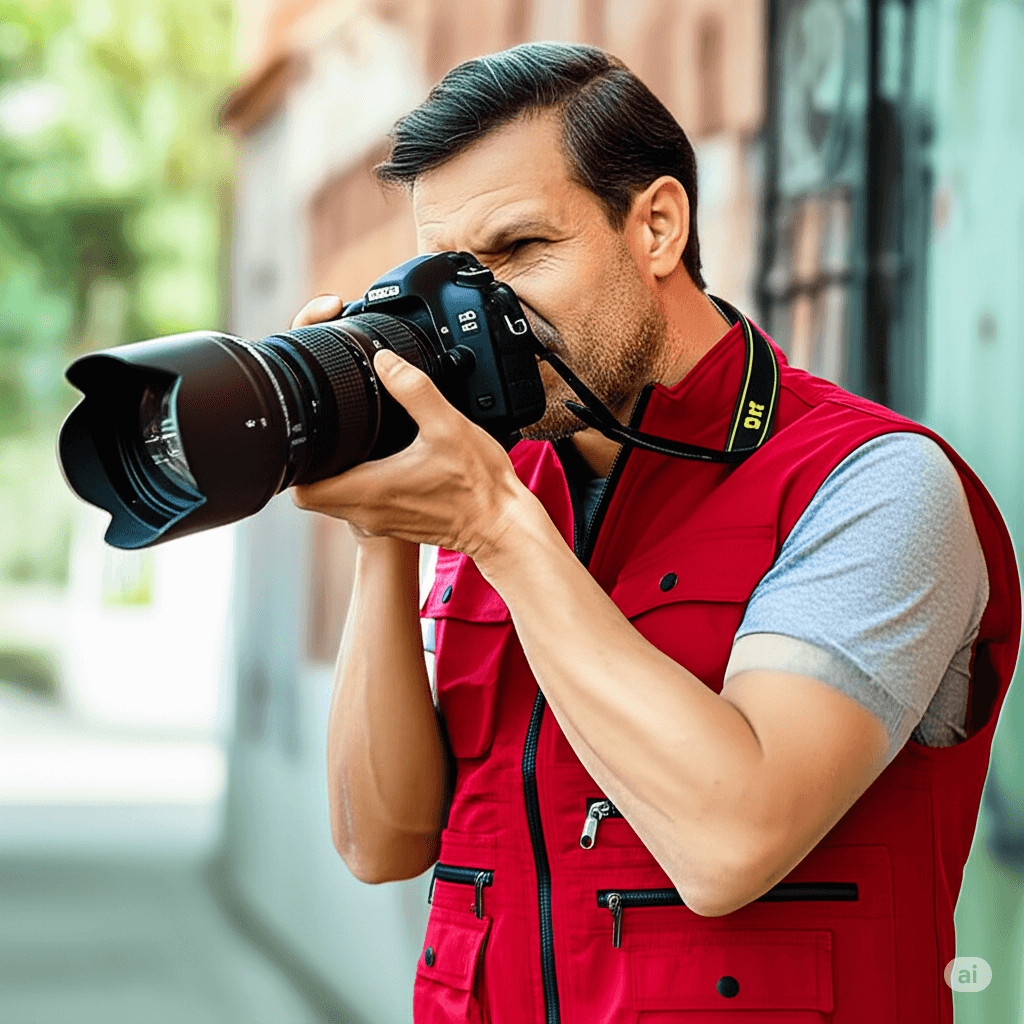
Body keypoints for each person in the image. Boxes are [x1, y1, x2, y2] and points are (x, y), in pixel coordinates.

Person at [289, 43, 1020, 1024]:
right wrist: (384, 533)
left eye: (520, 250)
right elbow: (380, 842)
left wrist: (495, 526)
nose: (485, 311)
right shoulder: (501, 492)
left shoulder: (871, 484)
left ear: (657, 226)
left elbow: (729, 843)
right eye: (458, 274)